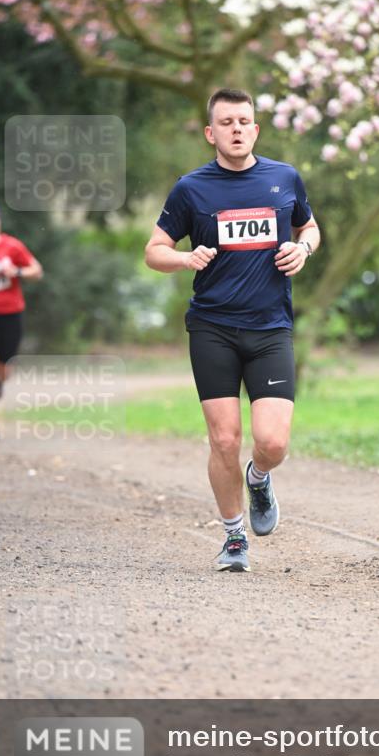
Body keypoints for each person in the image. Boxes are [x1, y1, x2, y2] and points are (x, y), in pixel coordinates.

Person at [145, 88, 320, 572]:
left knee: (273, 442)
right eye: (226, 122)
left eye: (244, 120)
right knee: (223, 440)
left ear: (256, 129)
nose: (236, 129)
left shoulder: (284, 179)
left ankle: (259, 478)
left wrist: (303, 250)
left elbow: (310, 227)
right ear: (211, 133)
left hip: (270, 329)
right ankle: (234, 536)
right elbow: (153, 249)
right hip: (213, 328)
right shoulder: (191, 189)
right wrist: (185, 257)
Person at [0, 202, 43, 440]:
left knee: (4, 368)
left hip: (11, 315)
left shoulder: (12, 246)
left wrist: (16, 272)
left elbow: (37, 270)